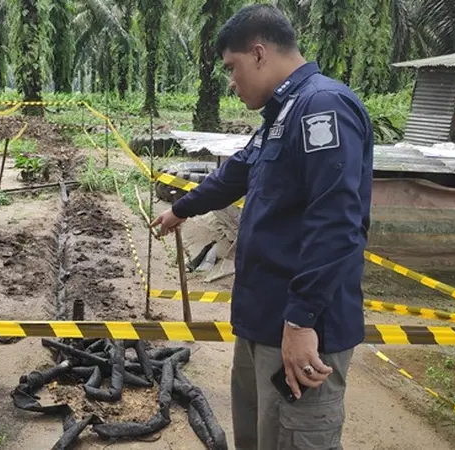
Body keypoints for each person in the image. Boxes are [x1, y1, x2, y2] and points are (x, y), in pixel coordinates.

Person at [151, 5, 373, 450]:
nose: (231, 84)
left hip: (300, 330)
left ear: (258, 53)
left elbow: (335, 221)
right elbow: (238, 172)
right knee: (255, 438)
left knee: (293, 437)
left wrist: (302, 319)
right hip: (264, 323)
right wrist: (183, 209)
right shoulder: (283, 114)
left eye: (232, 69)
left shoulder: (321, 107)